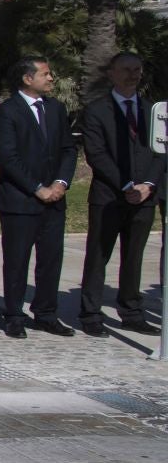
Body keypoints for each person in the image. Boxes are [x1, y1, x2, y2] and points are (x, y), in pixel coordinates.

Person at [78, 51, 162, 337]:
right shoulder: (96, 111)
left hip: (145, 197)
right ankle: (90, 313)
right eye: (126, 69)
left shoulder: (153, 111)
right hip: (109, 196)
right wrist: (126, 186)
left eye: (137, 69)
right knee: (98, 255)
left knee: (134, 255)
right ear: (111, 73)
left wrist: (148, 184)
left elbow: (161, 152)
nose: (133, 74)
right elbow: (97, 154)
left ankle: (131, 311)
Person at [0, 57, 76, 338]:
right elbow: (8, 158)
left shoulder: (55, 108)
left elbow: (68, 149)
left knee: (51, 259)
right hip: (21, 200)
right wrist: (37, 188)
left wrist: (61, 182)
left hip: (55, 198)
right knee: (17, 260)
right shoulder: (7, 112)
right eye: (46, 74)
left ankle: (46, 313)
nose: (51, 78)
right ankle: (14, 314)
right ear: (28, 79)